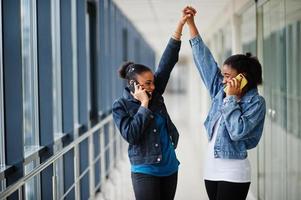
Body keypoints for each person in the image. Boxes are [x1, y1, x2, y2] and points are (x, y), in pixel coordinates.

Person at [184, 6, 266, 200]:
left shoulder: (256, 103)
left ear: (243, 78)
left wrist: (230, 99)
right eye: (223, 75)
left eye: (227, 76)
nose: (223, 80)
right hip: (211, 168)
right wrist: (191, 24)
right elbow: (204, 60)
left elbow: (238, 132)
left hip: (234, 172)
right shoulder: (220, 91)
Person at [112, 9, 193, 200]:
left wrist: (180, 25)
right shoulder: (120, 106)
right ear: (133, 84)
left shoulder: (155, 92)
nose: (153, 86)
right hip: (144, 169)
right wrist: (144, 105)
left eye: (153, 81)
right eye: (148, 83)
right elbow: (131, 135)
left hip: (170, 166)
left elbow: (167, 61)